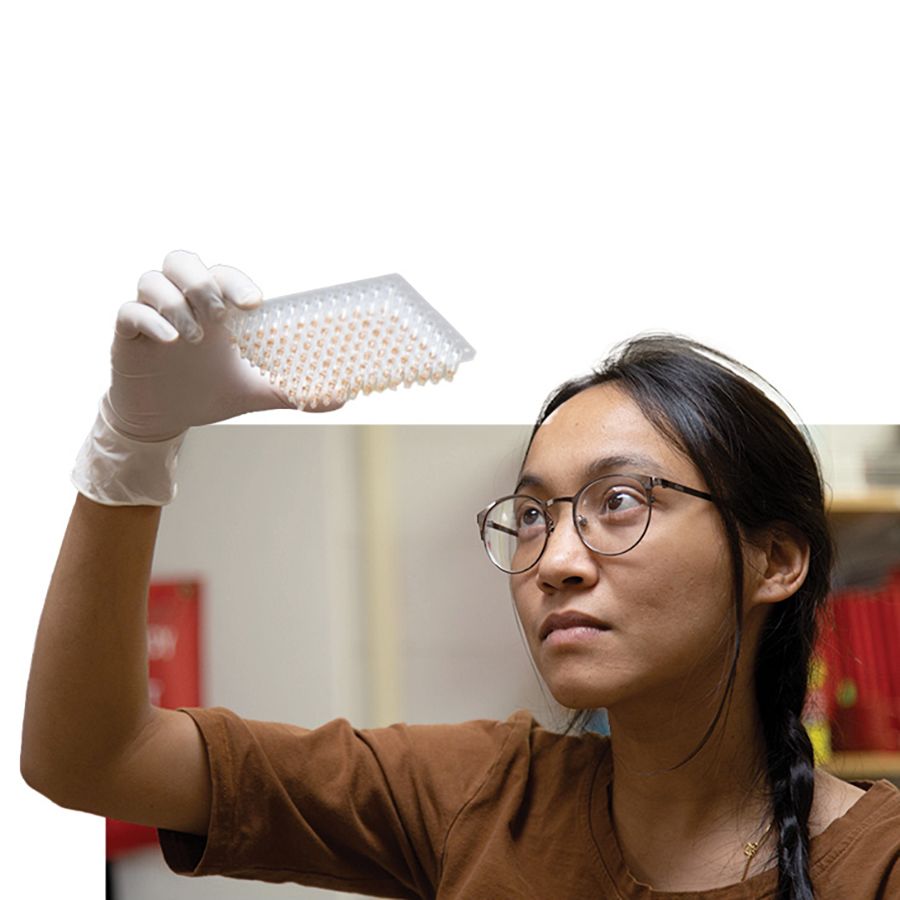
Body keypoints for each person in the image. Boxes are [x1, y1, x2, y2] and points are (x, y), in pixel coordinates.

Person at [21, 250, 900, 899]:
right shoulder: (482, 796)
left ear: (776, 559)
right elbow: (92, 759)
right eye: (529, 516)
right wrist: (131, 447)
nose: (554, 562)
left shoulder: (878, 865)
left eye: (621, 502)